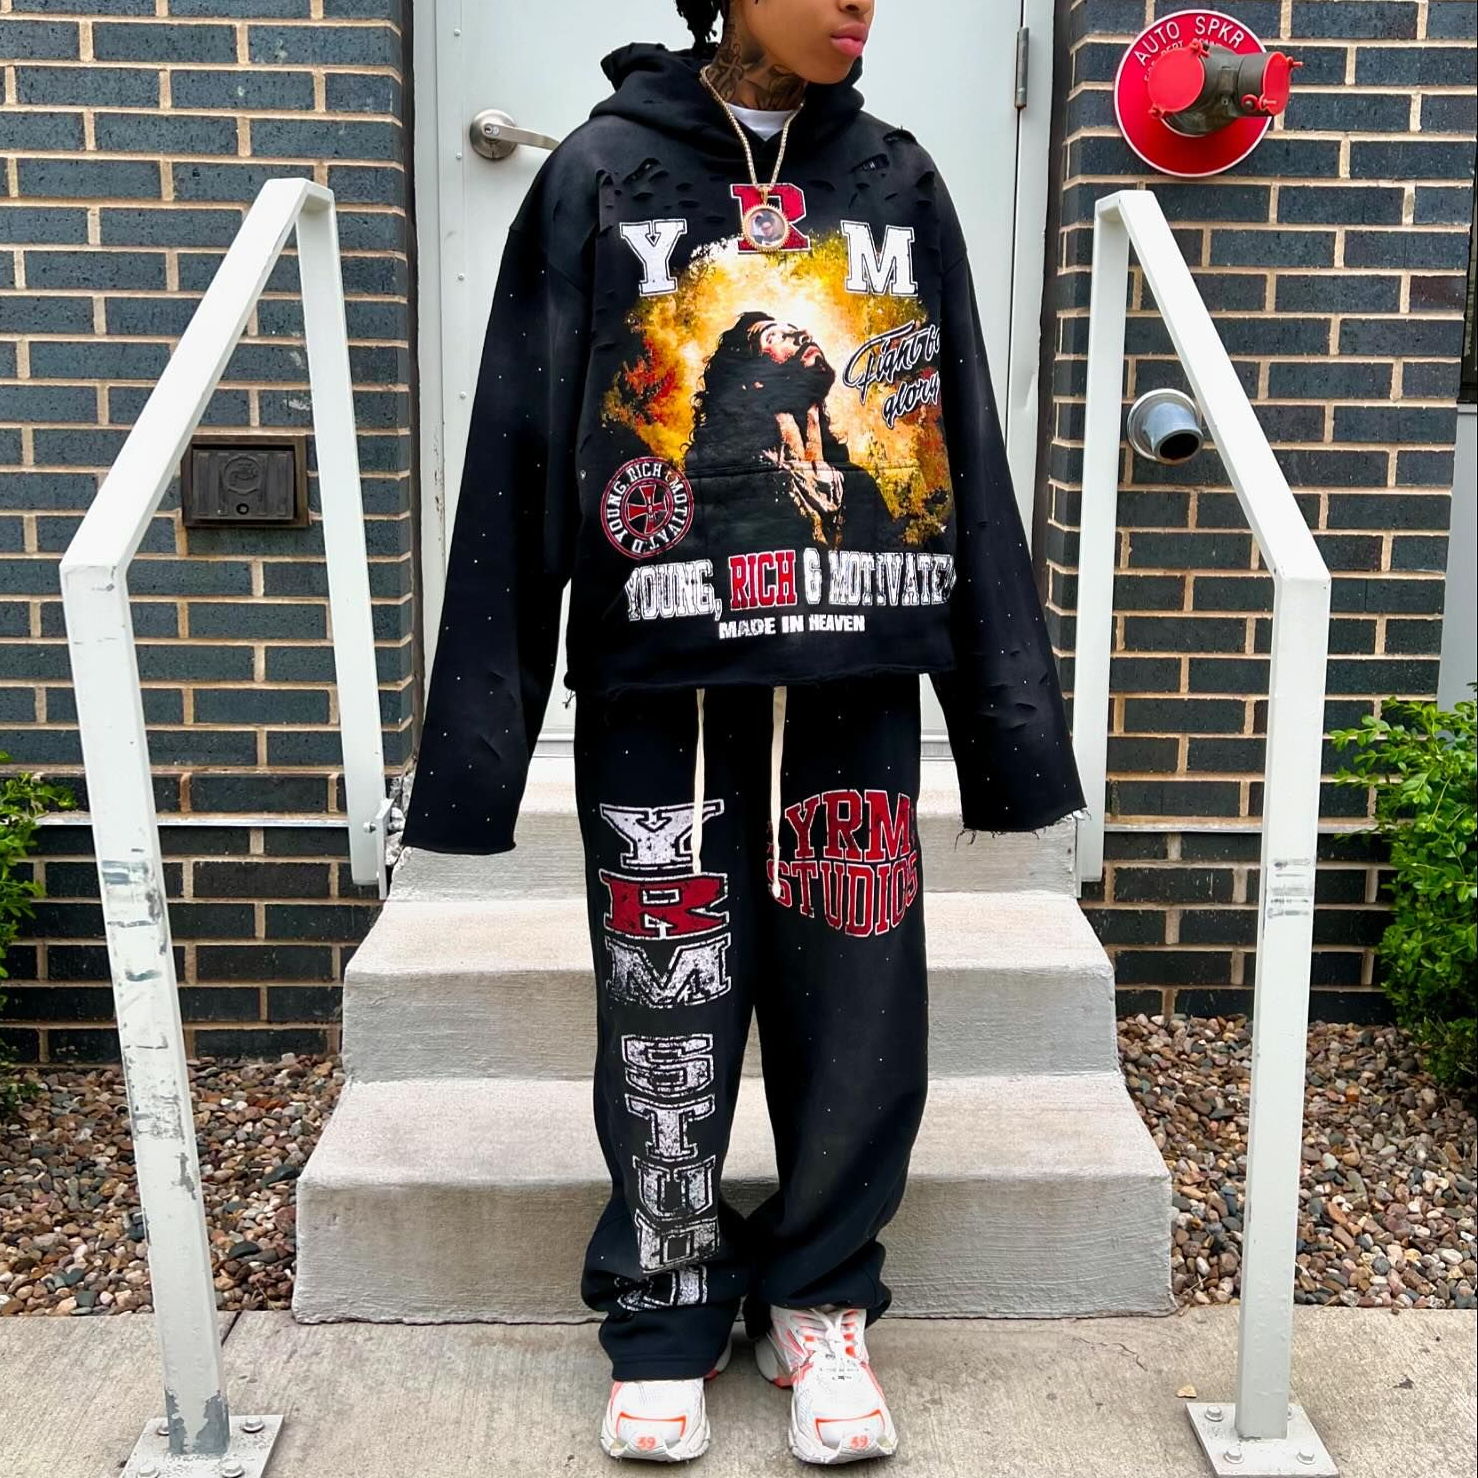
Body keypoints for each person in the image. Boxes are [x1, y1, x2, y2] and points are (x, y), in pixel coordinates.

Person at [401, 0, 1086, 1465]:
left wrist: (1007, 721)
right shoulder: (600, 172)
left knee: (860, 992)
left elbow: (958, 433)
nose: (860, 2)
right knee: (665, 990)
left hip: (853, 662)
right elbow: (520, 438)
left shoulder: (895, 178)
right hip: (660, 674)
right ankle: (663, 1302)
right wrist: (475, 749)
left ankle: (821, 1293)